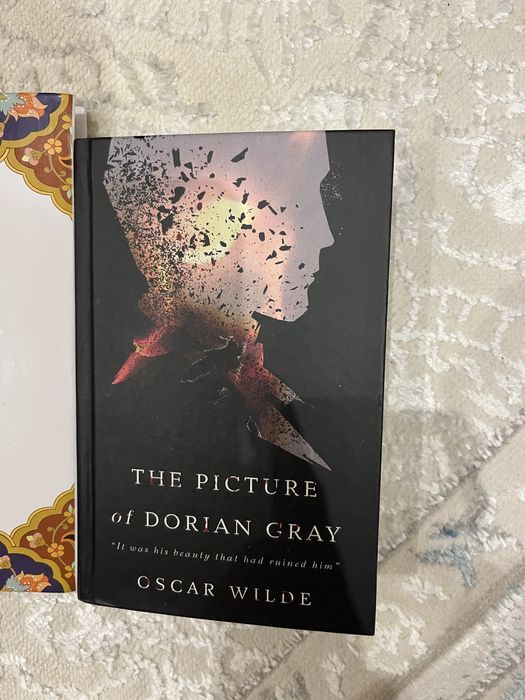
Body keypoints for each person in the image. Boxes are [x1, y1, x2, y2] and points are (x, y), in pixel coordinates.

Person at [104, 131, 334, 468]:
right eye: (305, 201)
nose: (326, 236)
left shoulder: (251, 382)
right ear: (201, 224)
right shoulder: (168, 403)